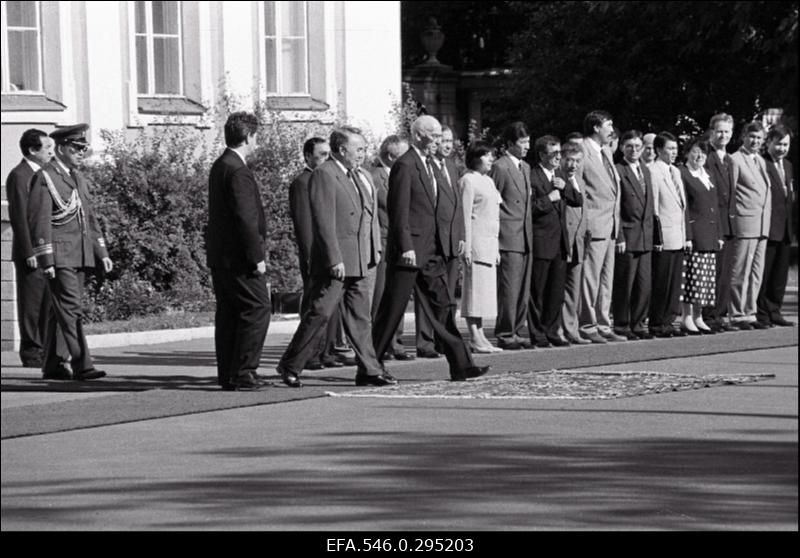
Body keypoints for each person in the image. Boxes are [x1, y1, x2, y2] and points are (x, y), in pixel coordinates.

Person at [372, 115, 489, 382]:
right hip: (410, 252)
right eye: (433, 135)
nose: (438, 140)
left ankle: (461, 365)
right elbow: (398, 210)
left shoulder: (434, 165)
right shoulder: (405, 165)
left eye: (440, 135)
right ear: (418, 136)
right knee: (392, 310)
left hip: (432, 251)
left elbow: (442, 206)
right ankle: (370, 366)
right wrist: (405, 246)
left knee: (443, 306)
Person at [277, 127, 392, 388]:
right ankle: (290, 364)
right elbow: (323, 220)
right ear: (342, 150)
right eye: (359, 149)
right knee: (320, 313)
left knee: (360, 317)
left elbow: (368, 216)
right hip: (337, 261)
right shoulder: (325, 174)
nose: (363, 154)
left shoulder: (360, 175)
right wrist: (333, 258)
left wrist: (373, 248)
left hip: (361, 258)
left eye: (364, 148)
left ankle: (370, 370)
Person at [27, 123, 112, 381]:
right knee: (71, 309)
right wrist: (46, 259)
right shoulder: (46, 177)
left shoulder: (77, 177)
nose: (81, 153)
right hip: (61, 256)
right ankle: (82, 364)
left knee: (60, 312)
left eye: (83, 148)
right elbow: (39, 220)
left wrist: (102, 252)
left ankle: (53, 364)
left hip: (81, 253)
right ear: (62, 148)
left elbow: (90, 217)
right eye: (76, 148)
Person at [207, 112, 271, 390]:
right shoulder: (238, 170)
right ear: (248, 136)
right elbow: (246, 218)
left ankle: (229, 373)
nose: (256, 142)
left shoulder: (222, 164)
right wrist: (256, 257)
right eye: (256, 136)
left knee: (231, 313)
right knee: (258, 307)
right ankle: (244, 370)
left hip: (222, 256)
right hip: (240, 257)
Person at [289, 137, 344, 370]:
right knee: (314, 304)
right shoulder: (303, 182)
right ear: (308, 157)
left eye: (327, 155)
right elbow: (305, 224)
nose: (325, 159)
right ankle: (310, 355)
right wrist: (310, 255)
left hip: (330, 252)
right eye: (320, 155)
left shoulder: (327, 178)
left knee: (329, 305)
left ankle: (326, 350)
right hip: (315, 254)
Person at [6, 129, 56, 367]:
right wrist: (29, 252)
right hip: (31, 254)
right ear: (32, 150)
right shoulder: (20, 175)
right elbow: (19, 216)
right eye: (46, 148)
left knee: (47, 302)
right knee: (31, 304)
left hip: (46, 251)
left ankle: (46, 349)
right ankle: (31, 352)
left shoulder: (45, 173)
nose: (50, 152)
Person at [415, 125, 465, 358]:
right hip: (434, 241)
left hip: (452, 239)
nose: (446, 145)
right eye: (442, 140)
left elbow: (458, 205)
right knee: (430, 294)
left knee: (448, 297)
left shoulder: (453, 168)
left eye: (450, 141)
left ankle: (445, 340)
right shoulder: (426, 168)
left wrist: (462, 234)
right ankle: (425, 341)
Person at [528, 135, 582, 347]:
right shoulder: (533, 176)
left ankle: (552, 331)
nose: (558, 158)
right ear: (542, 155)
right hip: (542, 241)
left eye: (560, 154)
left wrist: (565, 187)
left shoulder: (559, 175)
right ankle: (537, 333)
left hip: (560, 242)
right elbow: (529, 209)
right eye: (553, 154)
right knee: (538, 291)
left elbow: (577, 200)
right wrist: (548, 198)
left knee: (556, 292)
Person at [579, 110, 625, 343]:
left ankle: (603, 323)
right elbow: (580, 189)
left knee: (606, 278)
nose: (611, 129)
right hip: (594, 224)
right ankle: (587, 324)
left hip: (611, 224)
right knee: (591, 277)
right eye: (608, 125)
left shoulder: (606, 151)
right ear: (596, 127)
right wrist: (584, 222)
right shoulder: (582, 150)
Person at [489, 122, 533, 350]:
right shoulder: (500, 167)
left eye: (528, 142)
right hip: (508, 235)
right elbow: (493, 201)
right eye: (522, 142)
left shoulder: (524, 167)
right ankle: (506, 332)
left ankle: (517, 328)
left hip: (525, 235)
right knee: (509, 288)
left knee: (522, 289)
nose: (527, 146)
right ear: (509, 144)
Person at [369, 135, 414, 360]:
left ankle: (396, 340)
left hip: (399, 243)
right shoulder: (376, 177)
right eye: (402, 155)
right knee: (381, 296)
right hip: (383, 242)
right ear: (390, 156)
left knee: (399, 294)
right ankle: (382, 343)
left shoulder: (403, 175)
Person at [612, 130, 656, 340]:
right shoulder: (618, 170)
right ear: (622, 147)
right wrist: (619, 235)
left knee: (643, 284)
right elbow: (617, 207)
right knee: (625, 283)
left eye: (638, 146)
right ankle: (622, 323)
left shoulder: (645, 170)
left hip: (645, 235)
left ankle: (638, 323)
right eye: (629, 146)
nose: (634, 150)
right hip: (628, 234)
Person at [728, 121, 772, 330]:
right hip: (744, 222)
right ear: (744, 137)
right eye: (752, 137)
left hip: (762, 223)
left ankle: (749, 311)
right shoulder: (735, 160)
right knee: (740, 270)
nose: (755, 141)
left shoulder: (761, 161)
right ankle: (736, 313)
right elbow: (730, 193)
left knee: (756, 272)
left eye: (759, 138)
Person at [460, 141, 503, 353]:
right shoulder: (468, 180)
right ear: (476, 157)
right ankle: (474, 336)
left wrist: (496, 247)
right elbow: (465, 215)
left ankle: (481, 334)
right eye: (487, 155)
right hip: (476, 242)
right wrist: (466, 246)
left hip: (489, 242)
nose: (491, 159)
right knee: (473, 292)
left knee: (484, 294)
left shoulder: (489, 181)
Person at [679, 137, 723, 334]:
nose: (699, 156)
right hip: (694, 234)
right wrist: (687, 235)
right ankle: (686, 317)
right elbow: (684, 208)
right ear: (688, 153)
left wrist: (719, 234)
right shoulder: (683, 174)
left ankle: (699, 316)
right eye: (695, 152)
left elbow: (716, 207)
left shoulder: (709, 175)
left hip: (710, 235)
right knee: (691, 279)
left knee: (704, 280)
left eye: (703, 153)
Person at [648, 132, 689, 338]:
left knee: (674, 281)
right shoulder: (653, 171)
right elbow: (654, 207)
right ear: (658, 150)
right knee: (661, 281)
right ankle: (657, 321)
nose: (674, 153)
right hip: (664, 235)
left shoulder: (675, 171)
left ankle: (669, 320)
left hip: (678, 234)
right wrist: (657, 238)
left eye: (675, 149)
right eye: (670, 149)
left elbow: (682, 206)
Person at [757, 124, 795, 327]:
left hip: (786, 229)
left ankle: (775, 310)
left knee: (780, 274)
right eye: (779, 144)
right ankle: (761, 312)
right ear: (769, 143)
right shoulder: (762, 163)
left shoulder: (788, 165)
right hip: (770, 227)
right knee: (765, 273)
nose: (782, 148)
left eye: (786, 144)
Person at [703, 113, 737, 332]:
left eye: (727, 131)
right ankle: (709, 315)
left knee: (725, 273)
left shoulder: (729, 159)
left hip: (729, 223)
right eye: (719, 131)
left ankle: (720, 315)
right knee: (712, 273)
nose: (723, 135)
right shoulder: (706, 157)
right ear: (711, 132)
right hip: (714, 224)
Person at [557, 143, 591, 345]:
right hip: (562, 241)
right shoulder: (557, 179)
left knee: (573, 289)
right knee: (559, 288)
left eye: (577, 161)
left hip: (579, 241)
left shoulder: (580, 181)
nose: (573, 165)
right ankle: (558, 328)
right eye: (569, 160)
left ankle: (572, 329)